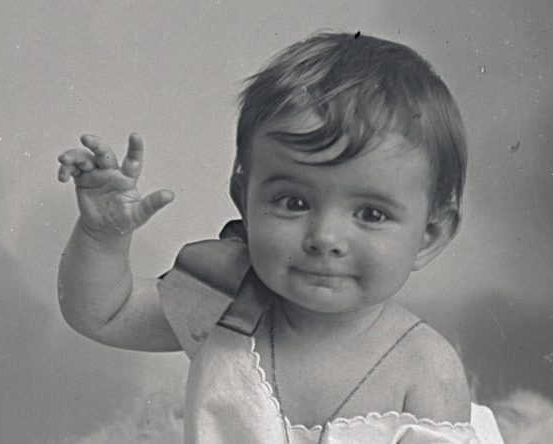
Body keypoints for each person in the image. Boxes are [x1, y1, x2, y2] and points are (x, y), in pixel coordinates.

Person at [56, 31, 504, 443]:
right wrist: (102, 236)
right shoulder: (219, 296)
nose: (325, 237)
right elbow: (104, 314)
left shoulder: (425, 367)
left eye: (370, 214)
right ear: (243, 199)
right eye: (293, 203)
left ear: (429, 235)